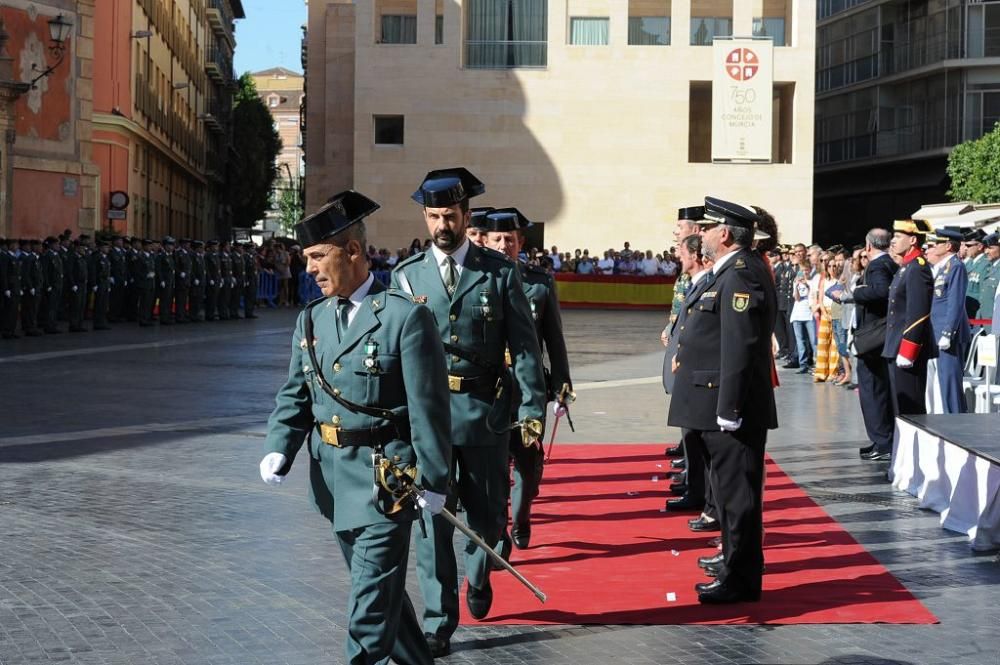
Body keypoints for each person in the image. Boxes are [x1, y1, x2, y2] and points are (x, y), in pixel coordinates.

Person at [259, 190, 451, 665]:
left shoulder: (405, 318)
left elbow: (428, 409)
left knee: (367, 610)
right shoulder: (312, 319)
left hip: (388, 484)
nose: (309, 269)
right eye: (306, 258)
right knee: (382, 597)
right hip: (333, 483)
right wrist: (279, 445)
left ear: (353, 251)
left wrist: (434, 480)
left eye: (318, 256)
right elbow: (296, 395)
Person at [392, 168, 545, 655]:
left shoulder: (499, 272)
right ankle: (440, 620)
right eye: (434, 216)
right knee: (432, 522)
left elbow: (523, 345)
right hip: (428, 421)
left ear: (466, 216)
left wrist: (531, 407)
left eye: (450, 216)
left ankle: (479, 572)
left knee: (487, 516)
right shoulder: (406, 275)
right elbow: (395, 353)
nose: (442, 225)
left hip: (486, 413)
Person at [667, 197, 777, 604]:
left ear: (725, 234)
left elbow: (741, 348)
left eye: (709, 228)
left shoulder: (741, 275)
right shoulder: (728, 272)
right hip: (717, 405)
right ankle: (734, 563)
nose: (703, 235)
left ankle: (741, 578)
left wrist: (728, 408)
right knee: (730, 495)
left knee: (738, 498)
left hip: (730, 408)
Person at [484, 207, 571, 552]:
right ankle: (499, 528)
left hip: (527, 392)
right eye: (498, 239)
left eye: (510, 239)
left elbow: (555, 340)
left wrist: (562, 388)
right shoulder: (475, 281)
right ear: (485, 241)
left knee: (528, 466)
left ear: (520, 243)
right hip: (487, 390)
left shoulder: (539, 282)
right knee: (493, 465)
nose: (504, 245)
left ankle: (521, 516)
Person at [662, 233, 713, 514]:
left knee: (696, 434)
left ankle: (698, 491)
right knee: (689, 432)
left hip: (695, 369)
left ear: (695, 255)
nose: (678, 256)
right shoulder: (695, 283)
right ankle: (694, 486)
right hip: (686, 365)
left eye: (681, 250)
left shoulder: (707, 283)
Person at [882, 220, 935, 448]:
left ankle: (917, 460)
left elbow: (918, 312)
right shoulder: (906, 266)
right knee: (900, 409)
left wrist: (908, 349)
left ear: (913, 239)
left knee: (911, 410)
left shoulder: (918, 267)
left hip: (908, 349)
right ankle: (905, 460)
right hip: (896, 345)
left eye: (898, 236)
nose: (893, 240)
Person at [925, 227, 971, 414]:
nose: (934, 246)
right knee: (941, 382)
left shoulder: (956, 267)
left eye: (938, 242)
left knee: (950, 382)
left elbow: (956, 302)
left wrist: (948, 332)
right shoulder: (942, 267)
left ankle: (955, 422)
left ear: (949, 246)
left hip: (947, 335)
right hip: (936, 332)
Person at [963, 229, 988, 318]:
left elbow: (984, 294)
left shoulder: (986, 264)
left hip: (976, 313)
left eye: (968, 245)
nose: (965, 248)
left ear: (980, 246)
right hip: (965, 310)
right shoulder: (968, 262)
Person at [157, 237, 176, 325]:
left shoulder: (170, 256)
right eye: (169, 245)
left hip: (171, 281)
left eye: (172, 245)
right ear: (165, 246)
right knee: (164, 300)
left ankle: (168, 316)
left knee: (169, 299)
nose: (171, 247)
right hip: (165, 281)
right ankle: (163, 318)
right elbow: (159, 269)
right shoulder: (161, 256)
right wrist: (161, 280)